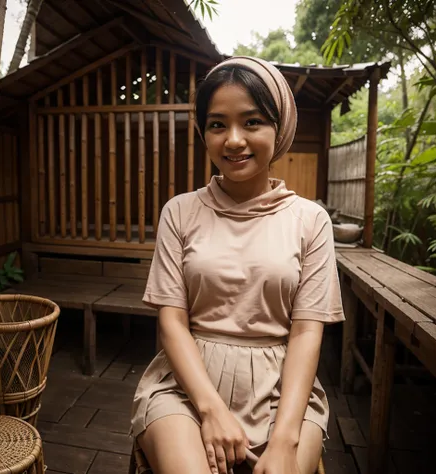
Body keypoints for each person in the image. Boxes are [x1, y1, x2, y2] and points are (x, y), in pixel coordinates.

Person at [130, 56, 345, 474]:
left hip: (283, 390)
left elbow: (305, 331)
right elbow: (172, 321)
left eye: (252, 122)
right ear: (204, 133)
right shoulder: (180, 212)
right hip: (185, 386)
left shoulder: (309, 220)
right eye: (217, 124)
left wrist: (285, 439)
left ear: (278, 128)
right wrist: (211, 411)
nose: (233, 140)